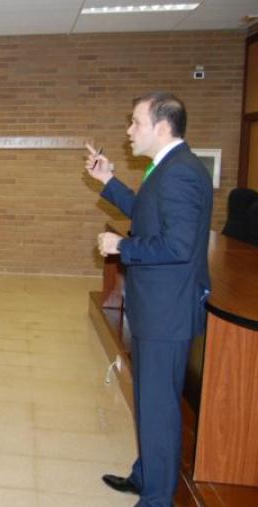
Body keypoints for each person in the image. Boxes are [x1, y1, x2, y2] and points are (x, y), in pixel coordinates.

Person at [86, 92, 212, 507]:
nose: (128, 130)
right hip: (155, 309)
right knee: (150, 402)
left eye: (135, 122)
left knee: (159, 409)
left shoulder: (181, 173)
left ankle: (158, 499)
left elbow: (177, 246)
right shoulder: (168, 168)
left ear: (161, 127)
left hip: (166, 313)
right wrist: (108, 180)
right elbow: (145, 212)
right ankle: (147, 477)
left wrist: (122, 246)